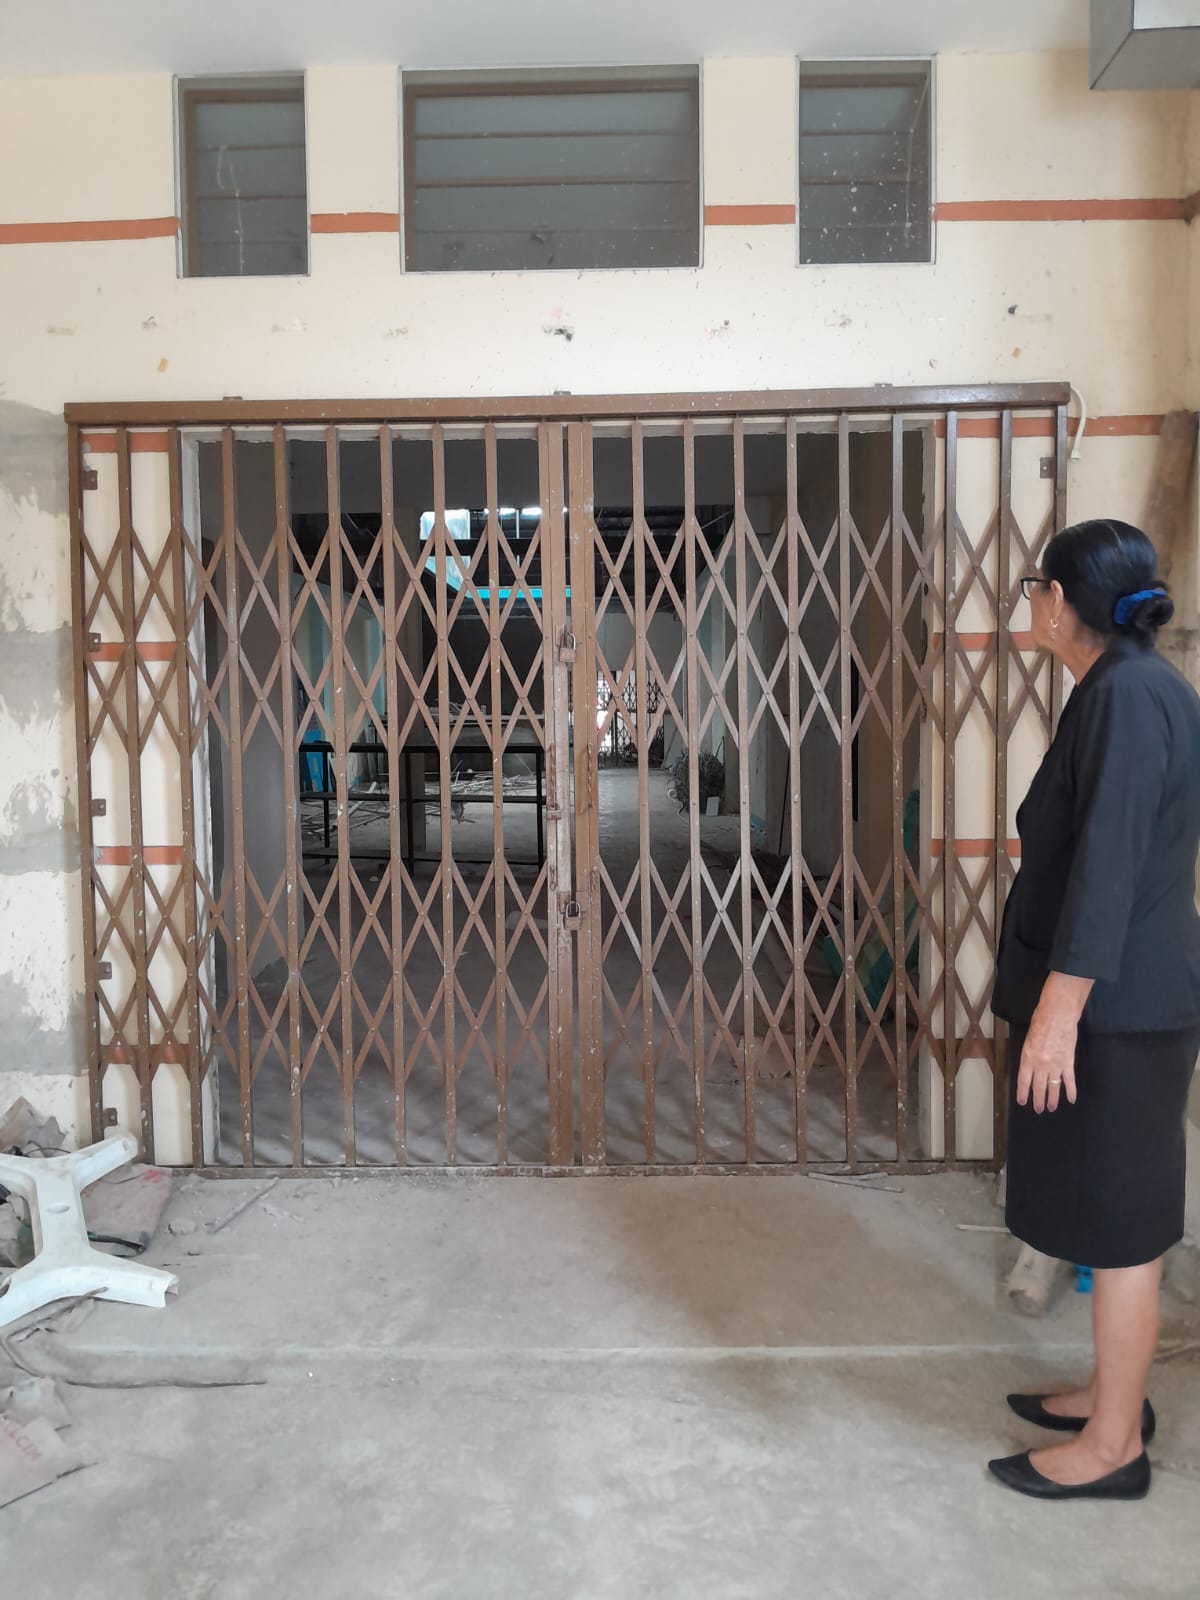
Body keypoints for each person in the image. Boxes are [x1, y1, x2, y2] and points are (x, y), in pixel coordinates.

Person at [987, 518, 1200, 1502]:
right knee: (1107, 1214)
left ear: (1062, 603)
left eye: (1037, 585)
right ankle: (1110, 1399)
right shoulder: (1132, 687)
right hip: (1128, 1002)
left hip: (1118, 1013)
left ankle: (1113, 1447)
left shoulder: (1123, 697)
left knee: (1119, 1228)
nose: (1032, 600)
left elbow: (1108, 869)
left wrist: (1057, 1015)